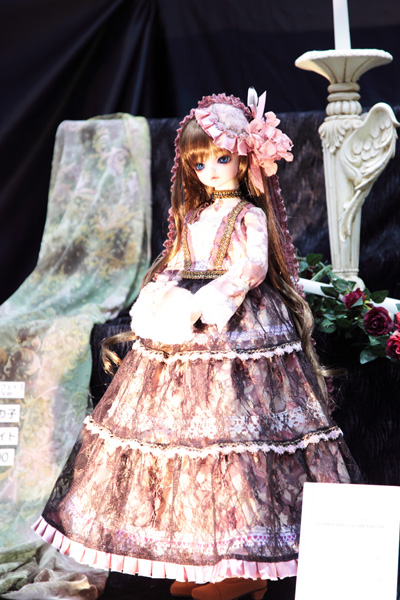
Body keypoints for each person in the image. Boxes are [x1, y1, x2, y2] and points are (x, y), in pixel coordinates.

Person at [33, 91, 360, 600]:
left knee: (238, 441)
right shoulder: (194, 218)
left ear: (244, 158)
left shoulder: (248, 215)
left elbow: (252, 268)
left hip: (237, 325)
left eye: (221, 158)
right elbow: (176, 263)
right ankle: (197, 555)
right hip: (185, 331)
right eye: (199, 163)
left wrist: (209, 301)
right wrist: (160, 295)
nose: (210, 171)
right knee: (186, 447)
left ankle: (242, 564)